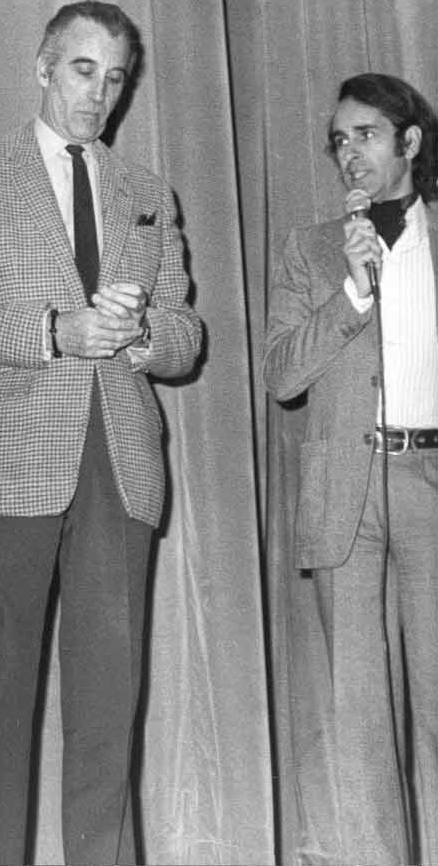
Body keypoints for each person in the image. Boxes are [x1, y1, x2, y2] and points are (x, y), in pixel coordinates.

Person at [0, 1, 202, 865]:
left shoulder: (146, 192)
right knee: (1, 687)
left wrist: (139, 333)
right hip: (12, 461)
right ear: (42, 66)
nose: (97, 94)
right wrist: (52, 331)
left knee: (109, 699)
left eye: (114, 79)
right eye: (82, 70)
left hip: (121, 460)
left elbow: (186, 336)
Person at [264, 73, 437, 865]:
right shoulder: (309, 249)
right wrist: (351, 294)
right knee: (360, 715)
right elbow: (281, 377)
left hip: (430, 480)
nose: (348, 154)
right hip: (346, 494)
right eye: (338, 140)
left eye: (364, 134)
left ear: (408, 141)